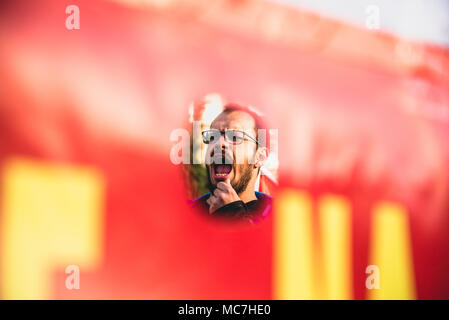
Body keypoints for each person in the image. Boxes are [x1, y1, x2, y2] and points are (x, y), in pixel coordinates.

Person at [191, 103, 272, 223]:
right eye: (213, 137)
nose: (219, 144)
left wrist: (234, 215)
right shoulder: (186, 213)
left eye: (235, 137)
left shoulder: (282, 219)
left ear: (260, 157)